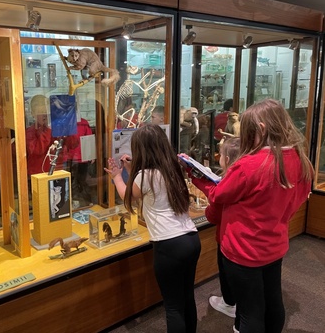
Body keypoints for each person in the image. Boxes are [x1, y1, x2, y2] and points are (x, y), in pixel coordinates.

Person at [186, 99, 312, 333]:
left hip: (243, 249)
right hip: (275, 243)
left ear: (261, 129)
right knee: (273, 300)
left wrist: (196, 176)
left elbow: (219, 195)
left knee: (249, 310)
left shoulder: (249, 165)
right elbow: (297, 200)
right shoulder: (300, 159)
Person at [104, 124, 201, 333]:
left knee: (173, 306)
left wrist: (116, 177)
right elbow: (148, 189)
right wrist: (132, 171)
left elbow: (128, 196)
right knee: (186, 297)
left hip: (170, 246)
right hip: (191, 239)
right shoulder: (172, 168)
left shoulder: (145, 176)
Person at [206, 137, 240, 319]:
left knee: (227, 273)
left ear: (226, 159)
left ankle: (229, 304)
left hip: (228, 239)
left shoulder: (227, 183)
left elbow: (213, 215)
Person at [25, 94, 78, 176]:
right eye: (40, 112)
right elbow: (37, 150)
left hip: (57, 172)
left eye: (46, 111)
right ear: (33, 114)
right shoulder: (30, 132)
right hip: (38, 174)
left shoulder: (58, 127)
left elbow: (73, 144)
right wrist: (48, 128)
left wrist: (67, 124)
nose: (45, 115)